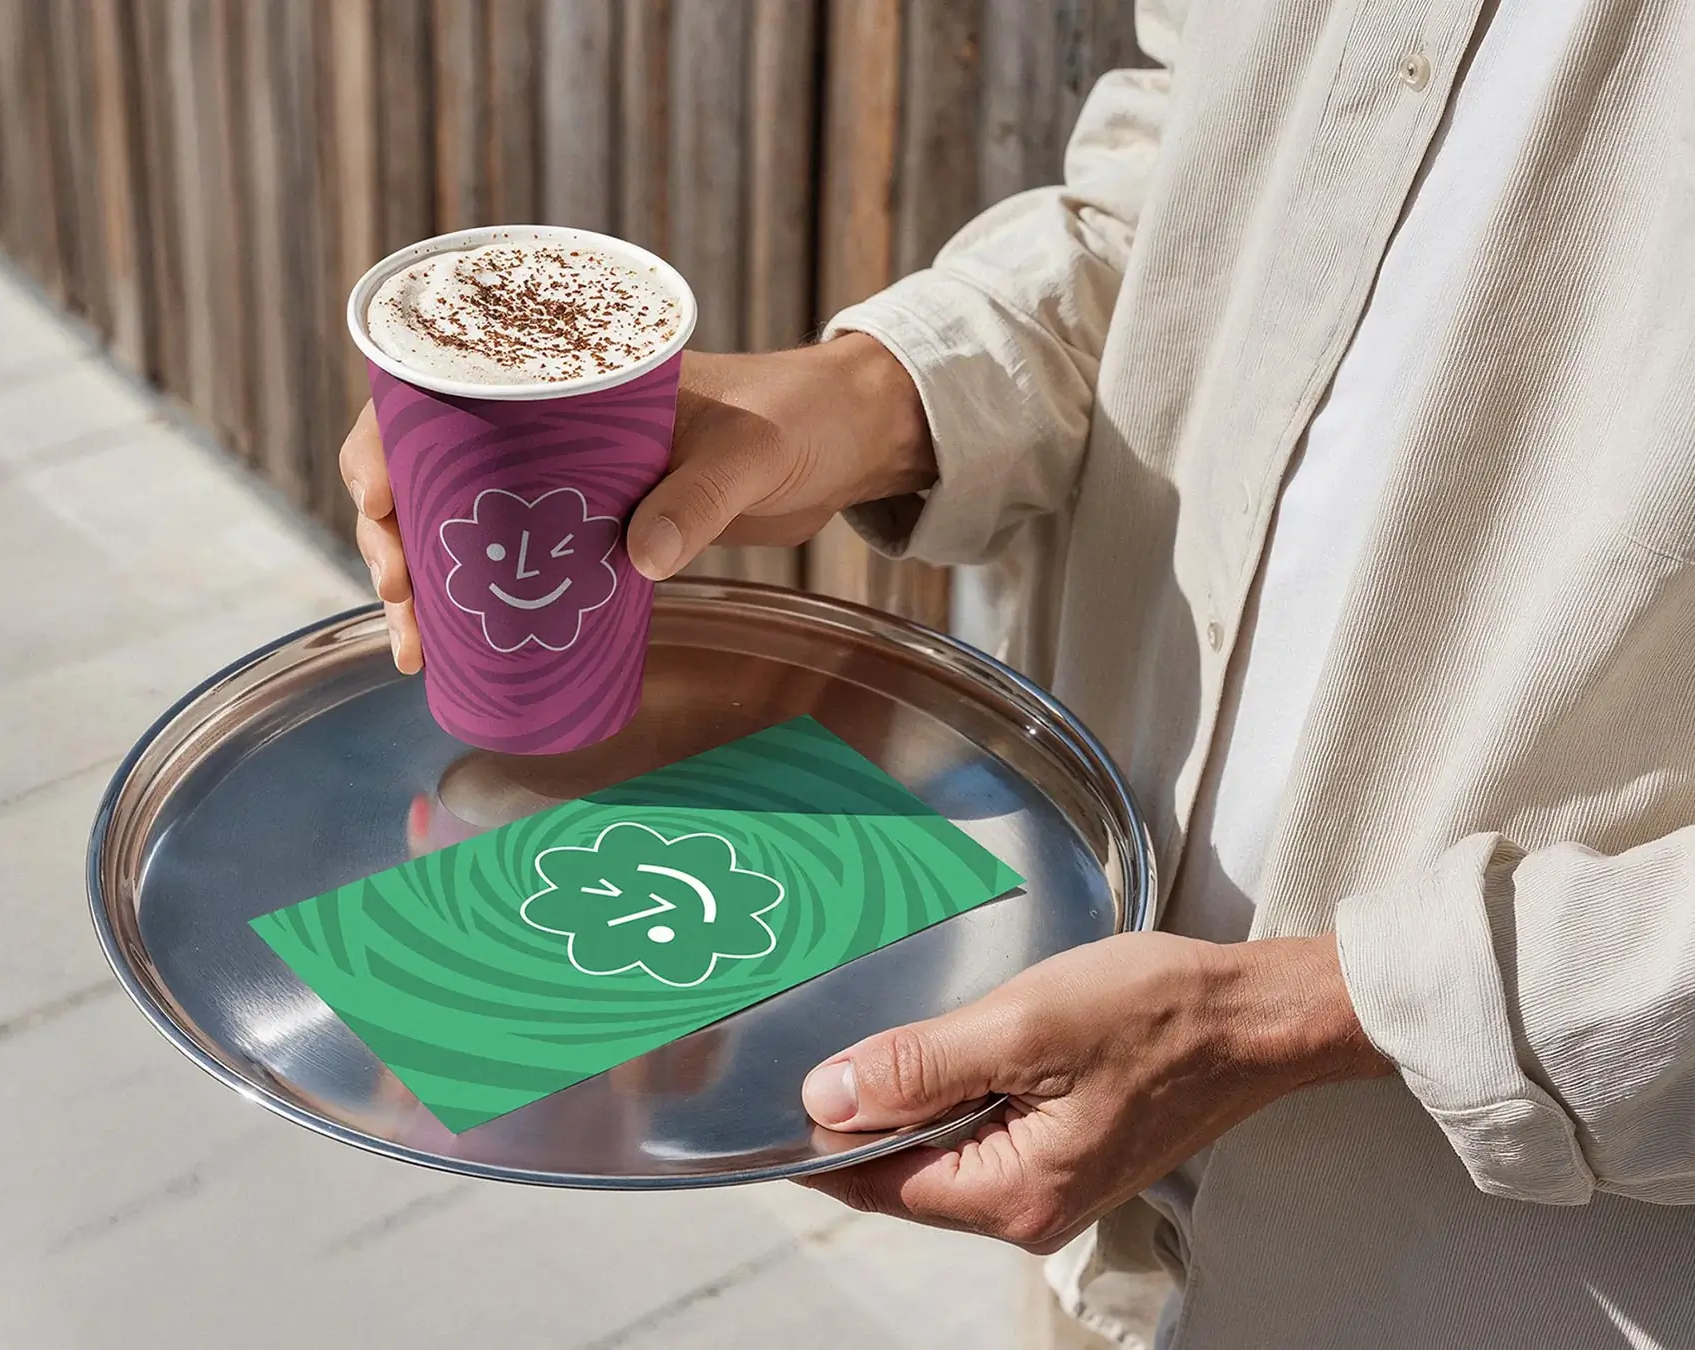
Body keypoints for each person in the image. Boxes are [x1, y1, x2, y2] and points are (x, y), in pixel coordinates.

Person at [340, 0, 1695, 1343]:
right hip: (1100, 1193)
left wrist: (1295, 1016)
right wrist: (877, 395)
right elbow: (1195, 169)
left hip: (1500, 1273)